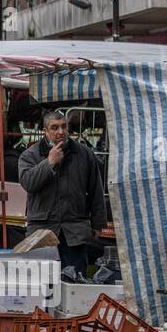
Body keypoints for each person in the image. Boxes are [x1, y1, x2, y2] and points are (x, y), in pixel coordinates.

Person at [18, 110, 107, 279]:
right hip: (42, 232)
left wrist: (98, 223)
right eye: (55, 128)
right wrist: (49, 162)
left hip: (74, 231)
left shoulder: (84, 153)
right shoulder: (30, 155)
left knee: (74, 286)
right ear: (45, 131)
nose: (60, 132)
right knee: (42, 288)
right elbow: (28, 183)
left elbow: (96, 190)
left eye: (64, 127)